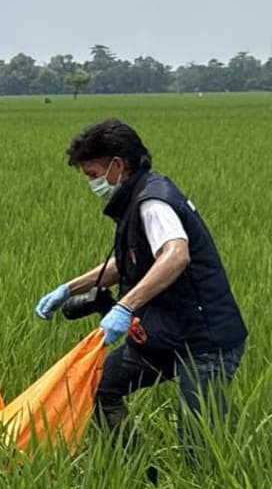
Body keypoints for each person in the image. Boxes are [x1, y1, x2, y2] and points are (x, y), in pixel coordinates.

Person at [35, 119, 247, 447]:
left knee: (199, 440)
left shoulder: (153, 202)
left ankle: (205, 479)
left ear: (117, 165)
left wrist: (124, 307)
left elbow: (176, 255)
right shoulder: (136, 200)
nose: (92, 183)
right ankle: (142, 469)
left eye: (92, 174)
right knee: (99, 387)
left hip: (205, 340)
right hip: (165, 336)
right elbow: (128, 262)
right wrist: (68, 289)